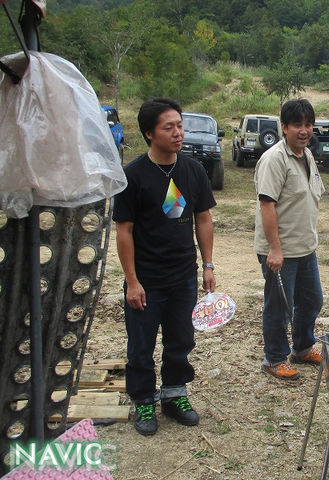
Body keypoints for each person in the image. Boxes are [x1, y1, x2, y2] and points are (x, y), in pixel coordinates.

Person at [113, 98, 216, 435]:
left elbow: (203, 219)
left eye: (180, 126)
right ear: (148, 133)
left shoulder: (193, 170)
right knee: (141, 344)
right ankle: (143, 399)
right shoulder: (133, 175)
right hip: (146, 279)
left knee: (180, 340)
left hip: (183, 276)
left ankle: (174, 394)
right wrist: (131, 281)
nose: (177, 133)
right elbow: (124, 231)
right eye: (168, 127)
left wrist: (208, 266)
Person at [254, 99, 325, 381]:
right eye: (297, 125)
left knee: (312, 300)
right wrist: (274, 249)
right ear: (284, 127)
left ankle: (303, 347)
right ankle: (274, 358)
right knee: (279, 306)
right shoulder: (275, 159)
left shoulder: (306, 155)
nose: (304, 130)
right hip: (280, 251)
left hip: (305, 248)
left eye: (308, 124)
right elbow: (267, 205)